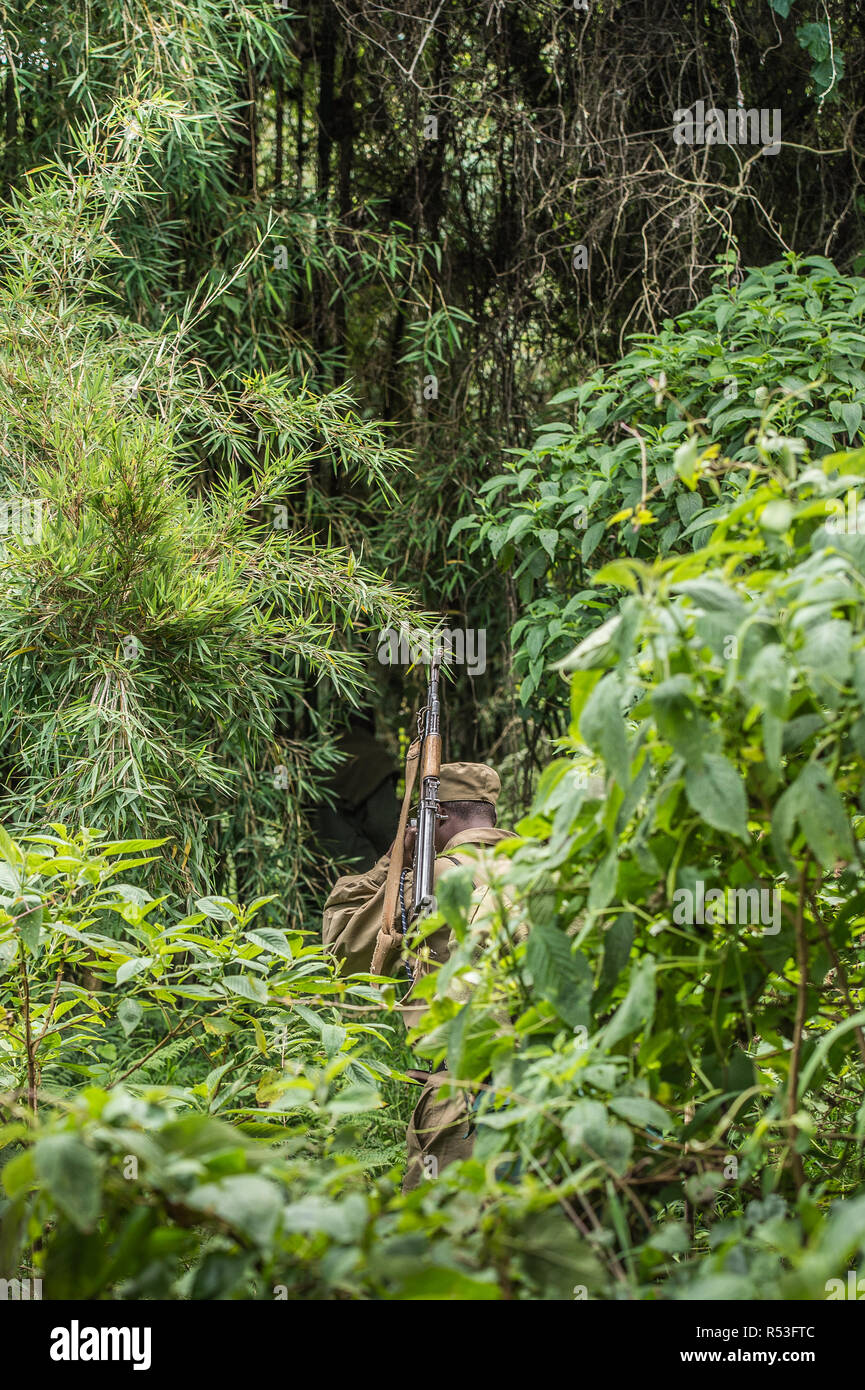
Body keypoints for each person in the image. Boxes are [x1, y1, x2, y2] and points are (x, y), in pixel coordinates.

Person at [321, 762, 514, 1190]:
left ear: (436, 818)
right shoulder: (548, 870)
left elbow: (341, 950)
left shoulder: (438, 879)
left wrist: (394, 863)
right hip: (559, 1087)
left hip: (468, 1101)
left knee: (447, 1245)